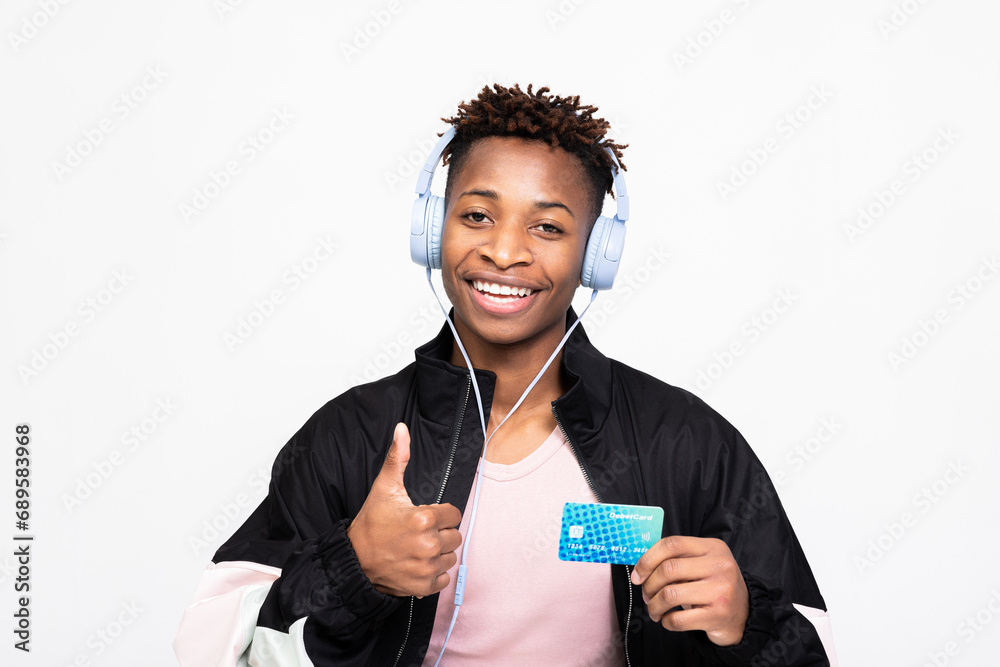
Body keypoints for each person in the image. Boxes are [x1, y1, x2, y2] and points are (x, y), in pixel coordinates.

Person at [174, 83, 836, 666]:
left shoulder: (685, 441)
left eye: (547, 226)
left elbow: (813, 650)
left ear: (596, 255)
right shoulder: (351, 435)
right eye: (476, 215)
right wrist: (352, 567)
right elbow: (212, 648)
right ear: (432, 229)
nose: (504, 250)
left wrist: (746, 621)